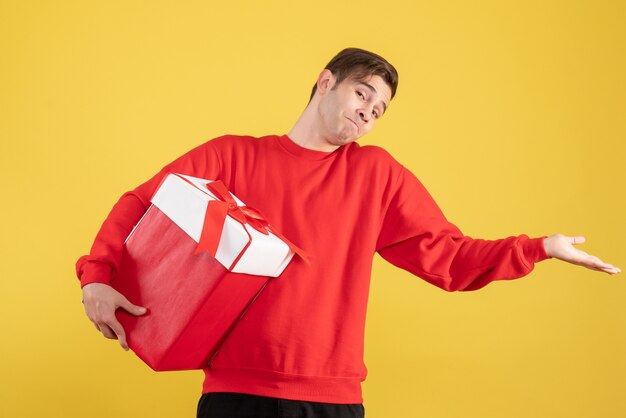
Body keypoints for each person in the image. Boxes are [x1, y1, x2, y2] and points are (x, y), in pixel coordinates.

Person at [76, 47, 620, 418]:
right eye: (363, 94)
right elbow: (144, 204)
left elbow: (448, 258)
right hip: (235, 393)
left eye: (379, 109)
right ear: (326, 80)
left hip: (332, 399)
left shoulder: (376, 174)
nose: (369, 113)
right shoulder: (231, 155)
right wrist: (96, 277)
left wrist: (539, 248)